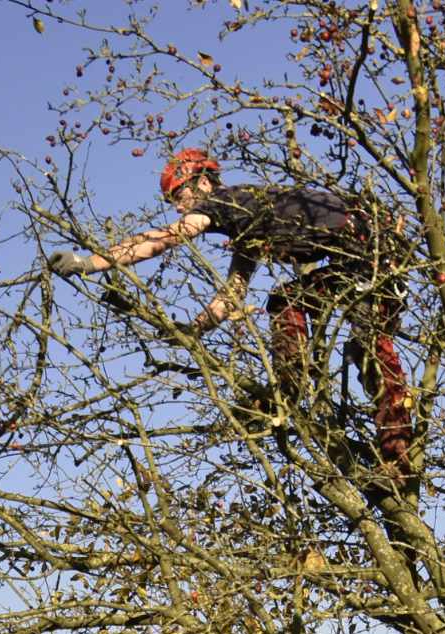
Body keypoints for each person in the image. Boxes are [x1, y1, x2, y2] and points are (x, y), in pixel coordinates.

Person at [48, 148, 414, 475]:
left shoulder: (224, 201)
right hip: (365, 252)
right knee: (305, 311)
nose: (178, 206)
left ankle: (391, 456)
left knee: (365, 348)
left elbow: (164, 239)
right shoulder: (248, 218)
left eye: (180, 194)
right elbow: (233, 292)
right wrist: (195, 329)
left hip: (369, 251)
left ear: (203, 182)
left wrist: (90, 263)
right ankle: (297, 390)